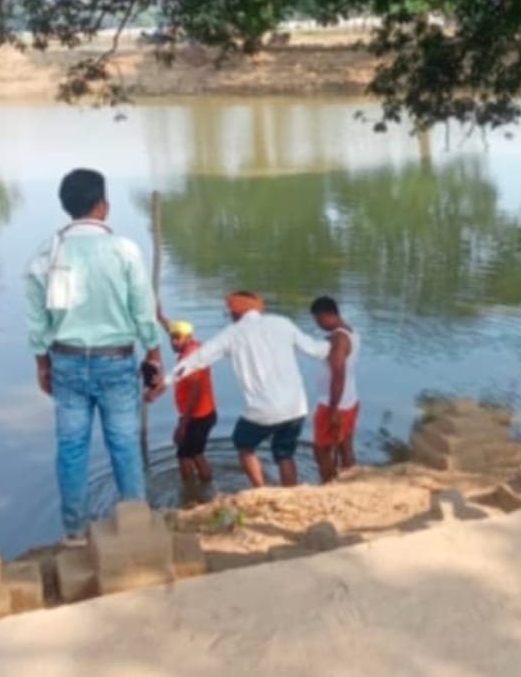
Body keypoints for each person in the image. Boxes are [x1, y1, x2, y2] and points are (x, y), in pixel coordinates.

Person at [25, 169, 161, 546]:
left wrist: (41, 362)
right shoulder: (125, 250)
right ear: (103, 204)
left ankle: (75, 532)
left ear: (66, 206)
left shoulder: (47, 251)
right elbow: (143, 312)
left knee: (71, 447)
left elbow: (37, 317)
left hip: (65, 361)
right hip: (116, 361)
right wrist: (153, 357)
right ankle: (135, 522)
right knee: (124, 442)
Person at [172, 292, 329, 487]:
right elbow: (315, 349)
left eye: (229, 311)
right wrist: (335, 341)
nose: (229, 316)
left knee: (243, 443)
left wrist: (164, 381)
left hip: (265, 410)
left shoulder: (233, 334)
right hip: (296, 407)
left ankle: (260, 489)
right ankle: (291, 493)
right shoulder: (282, 323)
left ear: (237, 312)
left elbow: (199, 360)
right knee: (284, 455)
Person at [157, 313, 218, 505]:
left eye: (177, 338)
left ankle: (191, 495)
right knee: (196, 453)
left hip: (196, 416)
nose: (173, 342)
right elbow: (172, 327)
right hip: (205, 413)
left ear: (188, 338)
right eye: (172, 338)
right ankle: (206, 491)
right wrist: (159, 315)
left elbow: (195, 392)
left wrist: (183, 423)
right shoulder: (196, 347)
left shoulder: (191, 358)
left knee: (184, 456)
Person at [309, 296, 361, 483]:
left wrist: (333, 410)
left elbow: (338, 374)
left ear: (325, 315)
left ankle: (328, 484)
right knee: (345, 445)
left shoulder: (339, 339)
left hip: (333, 403)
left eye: (317, 319)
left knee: (321, 449)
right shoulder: (351, 332)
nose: (318, 324)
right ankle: (351, 481)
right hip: (350, 400)